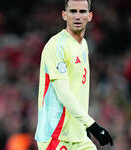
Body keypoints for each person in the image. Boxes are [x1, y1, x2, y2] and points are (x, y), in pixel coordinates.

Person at [35, 0, 113, 149]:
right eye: (73, 11)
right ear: (64, 15)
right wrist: (91, 125)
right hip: (56, 136)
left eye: (82, 12)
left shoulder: (83, 45)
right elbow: (63, 92)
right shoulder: (56, 46)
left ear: (90, 16)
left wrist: (82, 127)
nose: (77, 16)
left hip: (78, 136)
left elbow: (78, 90)